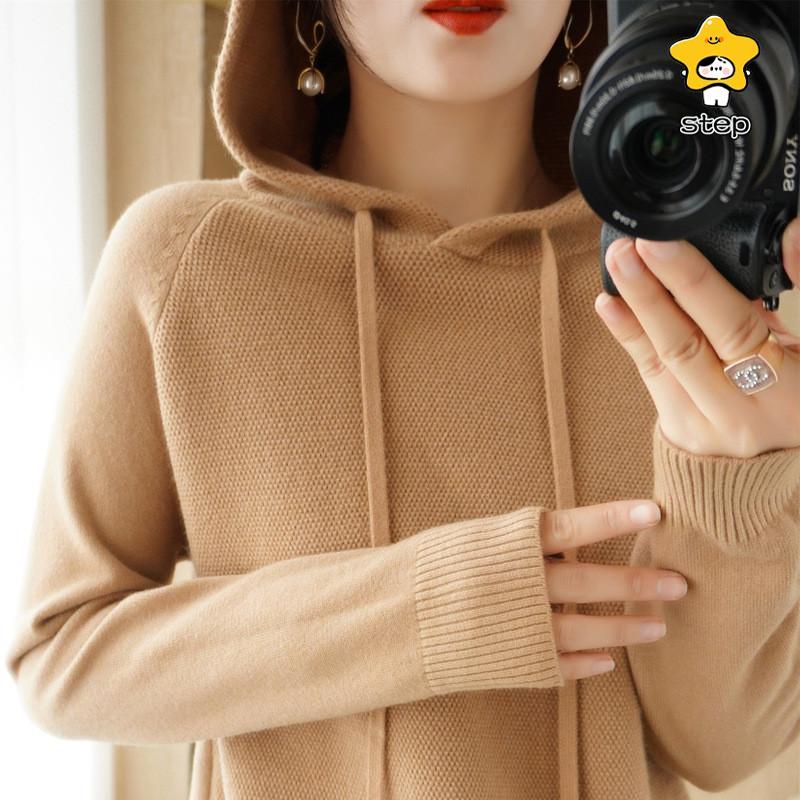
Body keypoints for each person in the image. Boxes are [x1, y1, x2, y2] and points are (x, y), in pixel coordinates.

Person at [5, 0, 800, 798]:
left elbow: (720, 750)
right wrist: (428, 612)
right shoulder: (186, 258)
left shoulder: (675, 281)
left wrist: (735, 484)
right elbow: (61, 657)